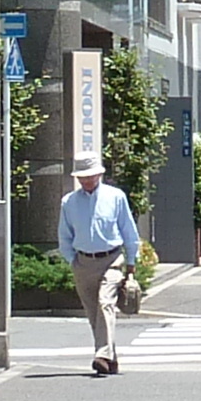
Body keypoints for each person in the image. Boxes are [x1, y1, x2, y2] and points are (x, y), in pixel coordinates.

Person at [58, 157, 143, 375]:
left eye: (90, 176)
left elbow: (129, 232)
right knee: (93, 313)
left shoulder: (115, 197)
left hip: (111, 259)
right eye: (82, 177)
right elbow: (64, 235)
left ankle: (102, 355)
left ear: (99, 174)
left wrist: (131, 264)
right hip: (83, 261)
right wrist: (72, 260)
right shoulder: (69, 202)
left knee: (105, 303)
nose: (86, 180)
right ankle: (110, 357)